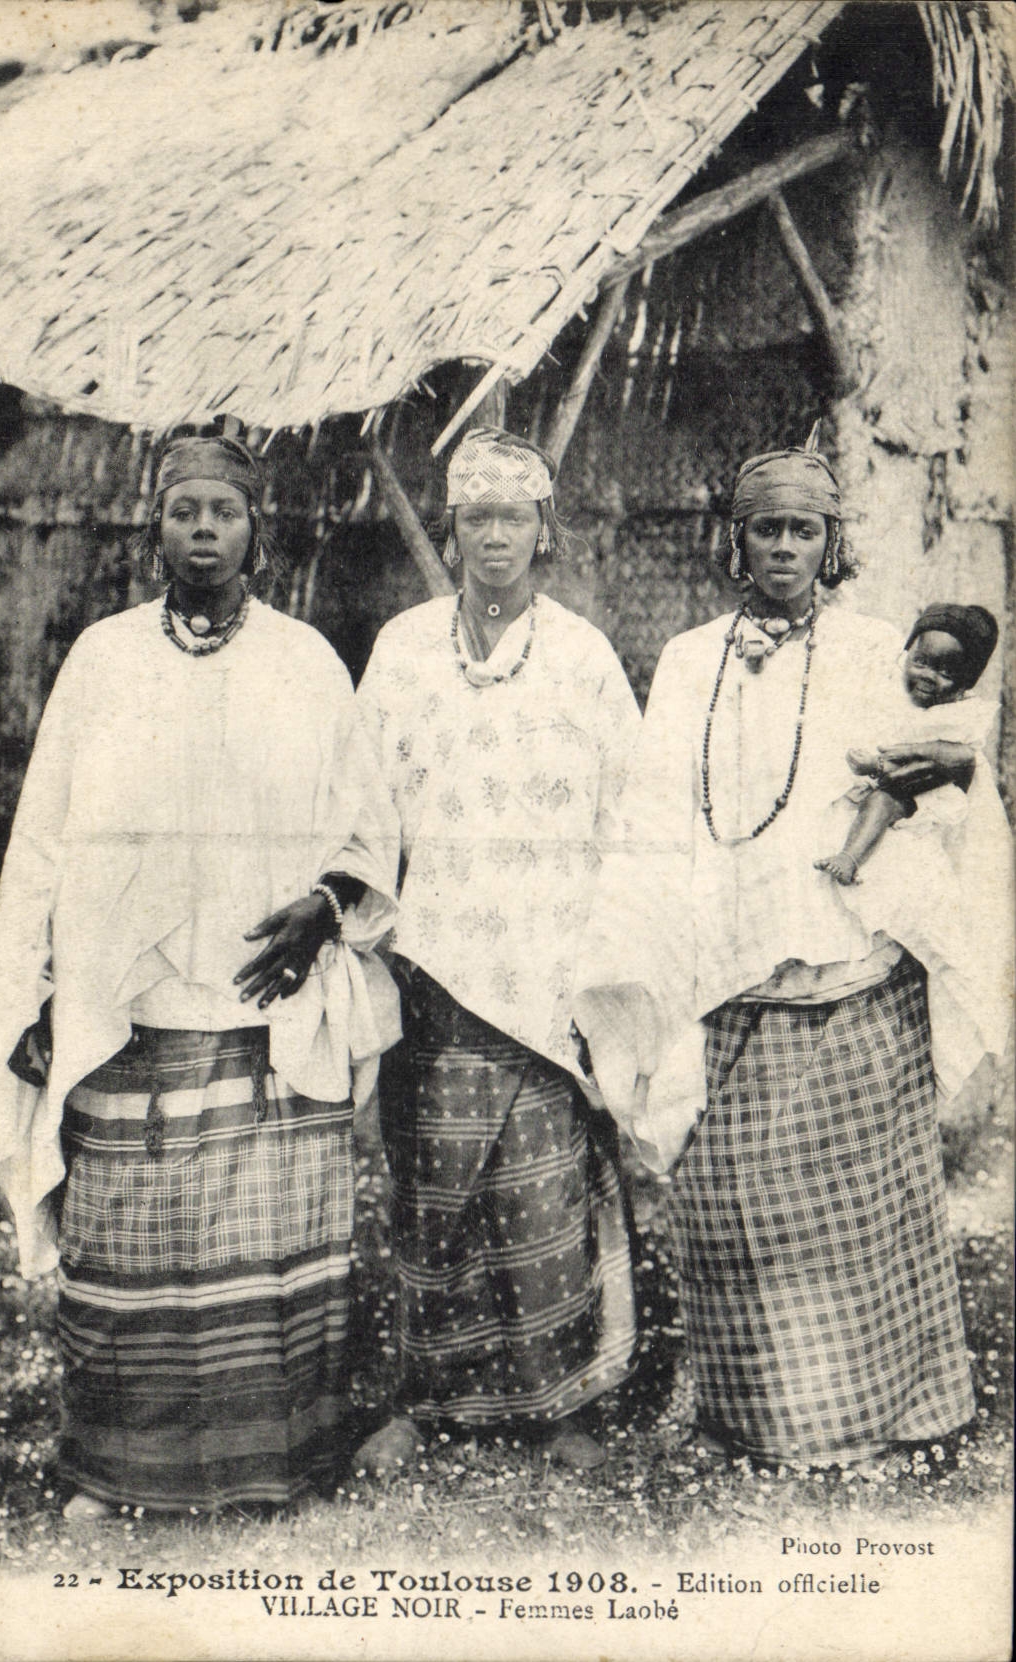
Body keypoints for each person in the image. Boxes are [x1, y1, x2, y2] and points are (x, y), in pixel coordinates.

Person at [0, 434, 401, 1516]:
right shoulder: (105, 661)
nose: (203, 529)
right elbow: (43, 841)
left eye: (224, 510)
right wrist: (30, 993)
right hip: (133, 1010)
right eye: (183, 512)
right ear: (154, 528)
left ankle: (277, 1461)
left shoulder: (305, 660)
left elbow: (367, 820)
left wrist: (325, 905)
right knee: (130, 1254)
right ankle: (118, 1472)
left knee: (266, 1252)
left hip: (267, 1005)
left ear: (260, 529)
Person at [575, 440, 1011, 1468]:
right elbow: (655, 808)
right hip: (734, 970)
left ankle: (896, 1411)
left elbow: (936, 776)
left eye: (803, 530)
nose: (783, 547)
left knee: (863, 1211)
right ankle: (744, 1414)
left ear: (831, 542)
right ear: (737, 539)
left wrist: (950, 774)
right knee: (735, 1201)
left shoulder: (873, 649)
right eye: (766, 528)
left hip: (857, 969)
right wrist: (646, 936)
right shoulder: (689, 659)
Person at [353, 426, 639, 1473]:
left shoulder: (584, 658)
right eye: (476, 516)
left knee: (543, 1191)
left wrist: (608, 961)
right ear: (453, 526)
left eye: (514, 517)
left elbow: (628, 814)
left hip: (548, 973)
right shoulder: (401, 651)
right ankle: (426, 1402)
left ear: (544, 531)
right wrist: (374, 931)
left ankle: (566, 1403)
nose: (494, 537)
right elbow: (363, 803)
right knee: (430, 1190)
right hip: (433, 968)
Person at [815, 600, 998, 884]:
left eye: (946, 673)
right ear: (907, 654)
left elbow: (955, 756)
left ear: (965, 684)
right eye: (921, 662)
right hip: (887, 782)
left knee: (882, 802)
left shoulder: (958, 715)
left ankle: (849, 859)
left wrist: (879, 762)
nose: (927, 676)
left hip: (923, 793)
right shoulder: (892, 695)